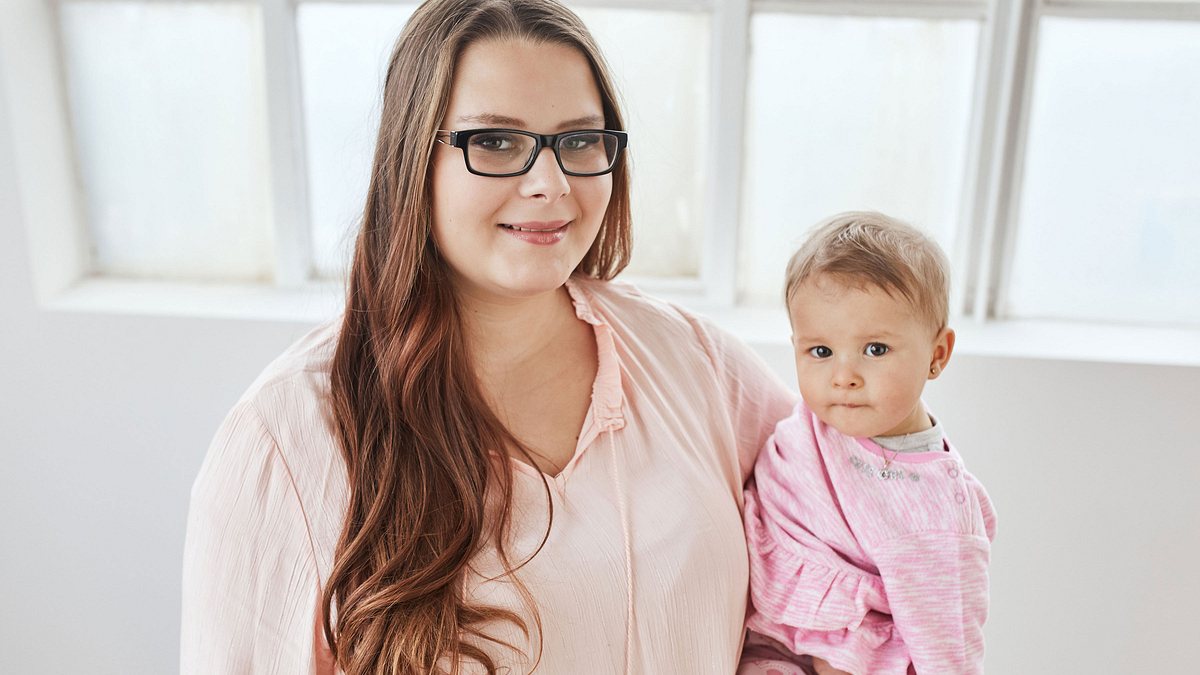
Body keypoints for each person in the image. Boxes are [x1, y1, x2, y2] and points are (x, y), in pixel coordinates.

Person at [180, 1, 797, 673]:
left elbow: (864, 517)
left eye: (579, 140)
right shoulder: (284, 439)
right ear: (413, 158)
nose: (550, 183)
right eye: (496, 142)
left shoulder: (696, 361)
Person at [737, 212, 997, 675]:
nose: (844, 377)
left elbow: (951, 639)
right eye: (820, 352)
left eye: (875, 349)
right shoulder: (816, 422)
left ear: (937, 355)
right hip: (772, 631)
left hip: (862, 650)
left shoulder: (935, 507)